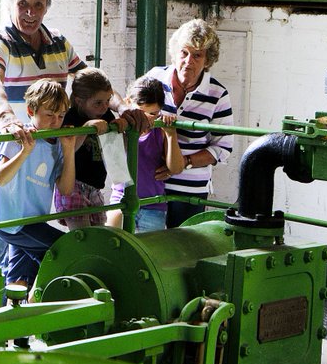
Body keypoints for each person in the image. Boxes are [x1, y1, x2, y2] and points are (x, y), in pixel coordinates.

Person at [0, 0, 86, 270]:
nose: (30, 12)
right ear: (11, 5)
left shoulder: (58, 42)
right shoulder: (0, 41)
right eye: (23, 4)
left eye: (38, 5)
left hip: (44, 153)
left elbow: (87, 79)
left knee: (23, 256)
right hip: (11, 148)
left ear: (47, 8)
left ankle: (17, 306)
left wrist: (121, 107)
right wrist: (7, 118)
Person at [143, 19, 233, 229]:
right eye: (184, 53)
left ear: (208, 60)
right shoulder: (155, 78)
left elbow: (223, 148)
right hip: (149, 182)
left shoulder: (217, 94)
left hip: (189, 190)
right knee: (146, 248)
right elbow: (134, 111)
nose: (188, 61)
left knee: (181, 250)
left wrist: (182, 163)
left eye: (197, 55)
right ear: (175, 53)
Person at [0, 79, 78, 287]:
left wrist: (68, 150)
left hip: (35, 221)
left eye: (61, 116)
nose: (55, 122)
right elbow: (1, 178)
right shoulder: (20, 136)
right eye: (49, 115)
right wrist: (24, 152)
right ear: (31, 110)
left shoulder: (57, 143)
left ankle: (15, 311)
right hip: (12, 221)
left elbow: (66, 189)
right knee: (64, 248)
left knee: (18, 282)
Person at [106, 76, 183, 233]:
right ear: (128, 103)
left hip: (154, 206)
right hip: (121, 201)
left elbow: (175, 168)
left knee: (150, 254)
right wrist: (126, 130)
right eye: (141, 113)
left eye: (154, 113)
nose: (147, 119)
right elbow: (114, 168)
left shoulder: (160, 130)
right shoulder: (119, 129)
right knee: (115, 248)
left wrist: (170, 134)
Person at [54, 68, 126, 228]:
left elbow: (117, 154)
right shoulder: (70, 118)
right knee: (82, 238)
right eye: (98, 103)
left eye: (108, 101)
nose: (105, 107)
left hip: (96, 187)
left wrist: (120, 131)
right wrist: (86, 128)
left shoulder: (107, 116)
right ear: (79, 101)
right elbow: (67, 151)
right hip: (73, 185)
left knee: (98, 237)